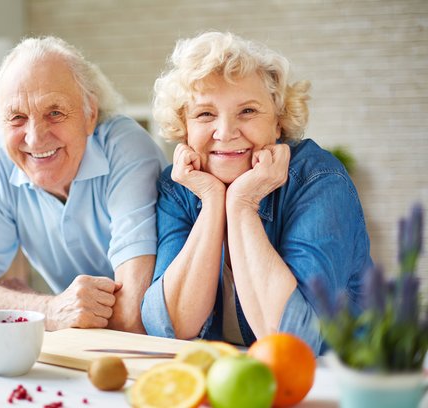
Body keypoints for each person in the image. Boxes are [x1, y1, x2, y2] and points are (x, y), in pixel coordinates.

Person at [140, 31, 372, 355]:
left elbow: (294, 339)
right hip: (242, 386)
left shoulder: (319, 180)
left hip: (344, 386)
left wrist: (242, 203)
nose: (226, 132)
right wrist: (212, 202)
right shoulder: (180, 185)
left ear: (278, 123)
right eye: (205, 114)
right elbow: (168, 325)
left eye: (247, 111)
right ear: (185, 127)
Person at [0, 36, 167, 333]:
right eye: (17, 117)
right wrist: (48, 309)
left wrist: (26, 302)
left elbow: (132, 315)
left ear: (90, 115)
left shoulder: (126, 148)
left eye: (55, 113)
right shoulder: (0, 158)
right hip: (82, 349)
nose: (34, 138)